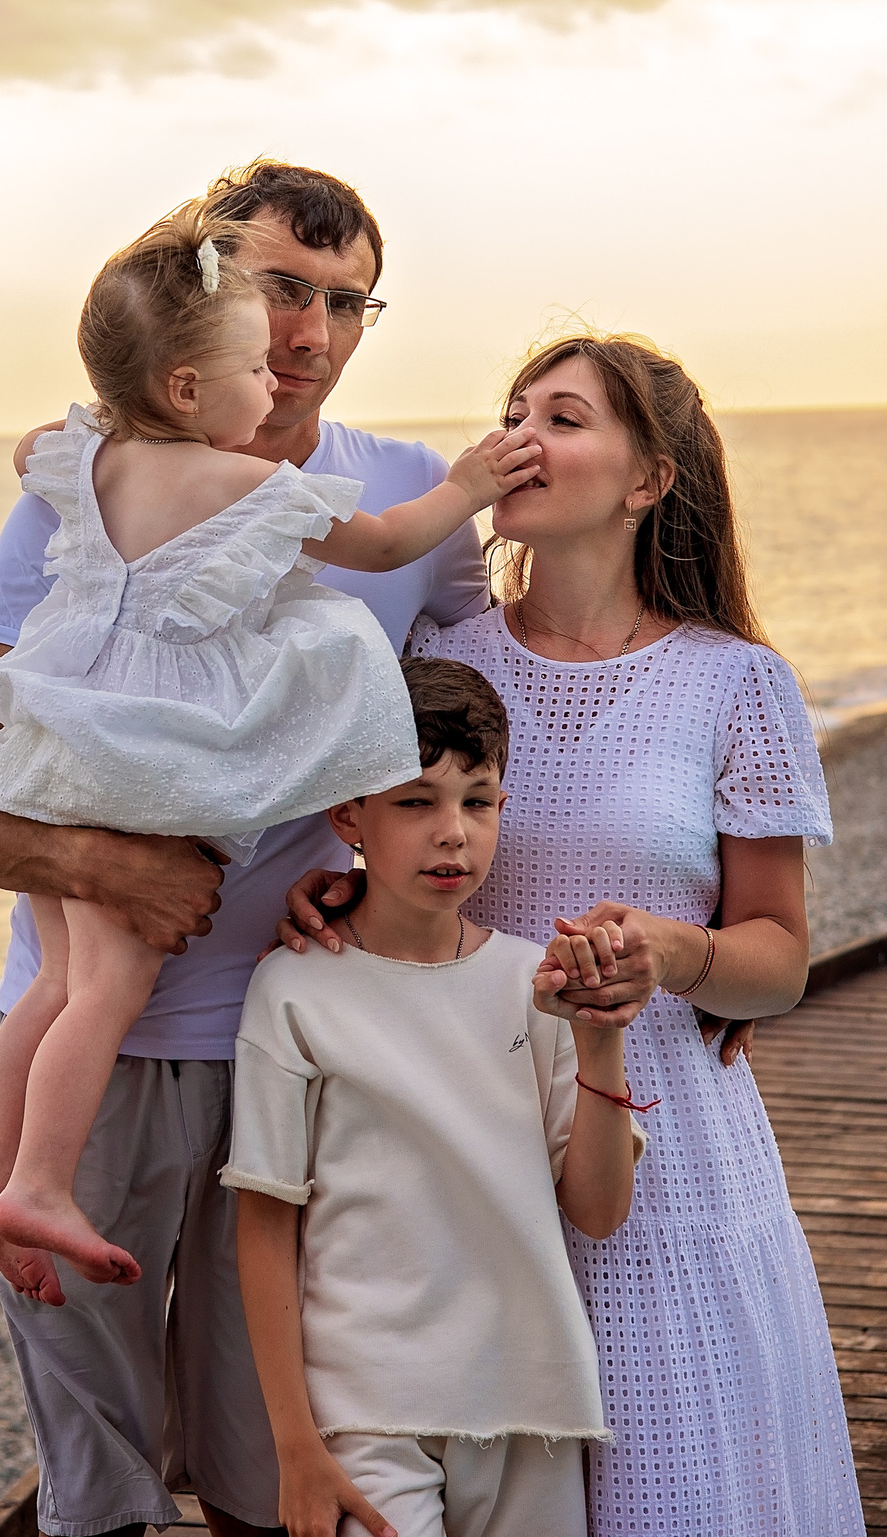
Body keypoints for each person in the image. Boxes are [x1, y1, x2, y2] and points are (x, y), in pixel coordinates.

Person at [0, 160, 497, 1537]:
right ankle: (14, 1173)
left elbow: (463, 731)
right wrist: (110, 873)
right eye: (280, 287)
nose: (311, 334)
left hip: (304, 1043)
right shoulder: (92, 488)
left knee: (271, 1468)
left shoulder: (411, 498)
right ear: (203, 296)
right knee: (100, 1482)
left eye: (348, 301)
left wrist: (378, 875)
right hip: (102, 1056)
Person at [281, 333, 863, 1534]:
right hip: (472, 1146)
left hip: (676, 1167)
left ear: (650, 477)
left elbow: (779, 959)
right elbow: (391, 854)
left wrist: (675, 954)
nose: (521, 438)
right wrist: (323, 884)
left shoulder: (737, 683)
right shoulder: (431, 666)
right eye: (511, 413)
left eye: (563, 417)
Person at [0, 201, 542, 1295]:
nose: (295, 350)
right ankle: (36, 1182)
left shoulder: (87, 457)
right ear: (190, 373)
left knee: (66, 981)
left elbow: (483, 675)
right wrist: (469, 487)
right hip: (138, 806)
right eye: (273, 303)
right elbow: (386, 537)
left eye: (345, 302)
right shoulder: (250, 483)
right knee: (102, 989)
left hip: (63, 757)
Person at [229, 658, 649, 1537]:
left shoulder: (530, 983)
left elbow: (599, 1209)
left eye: (478, 800)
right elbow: (264, 1224)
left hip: (532, 1401)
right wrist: (296, 1447)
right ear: (349, 813)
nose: (452, 833)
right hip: (365, 1413)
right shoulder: (293, 990)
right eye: (416, 801)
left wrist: (597, 1034)